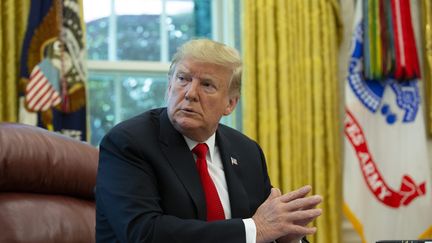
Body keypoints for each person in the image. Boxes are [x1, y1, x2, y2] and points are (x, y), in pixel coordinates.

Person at [95, 39, 322, 243]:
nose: (190, 93)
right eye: (183, 79)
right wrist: (255, 229)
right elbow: (144, 233)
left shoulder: (246, 152)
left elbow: (268, 227)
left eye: (207, 85)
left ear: (230, 104)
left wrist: (286, 239)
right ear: (169, 86)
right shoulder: (129, 143)